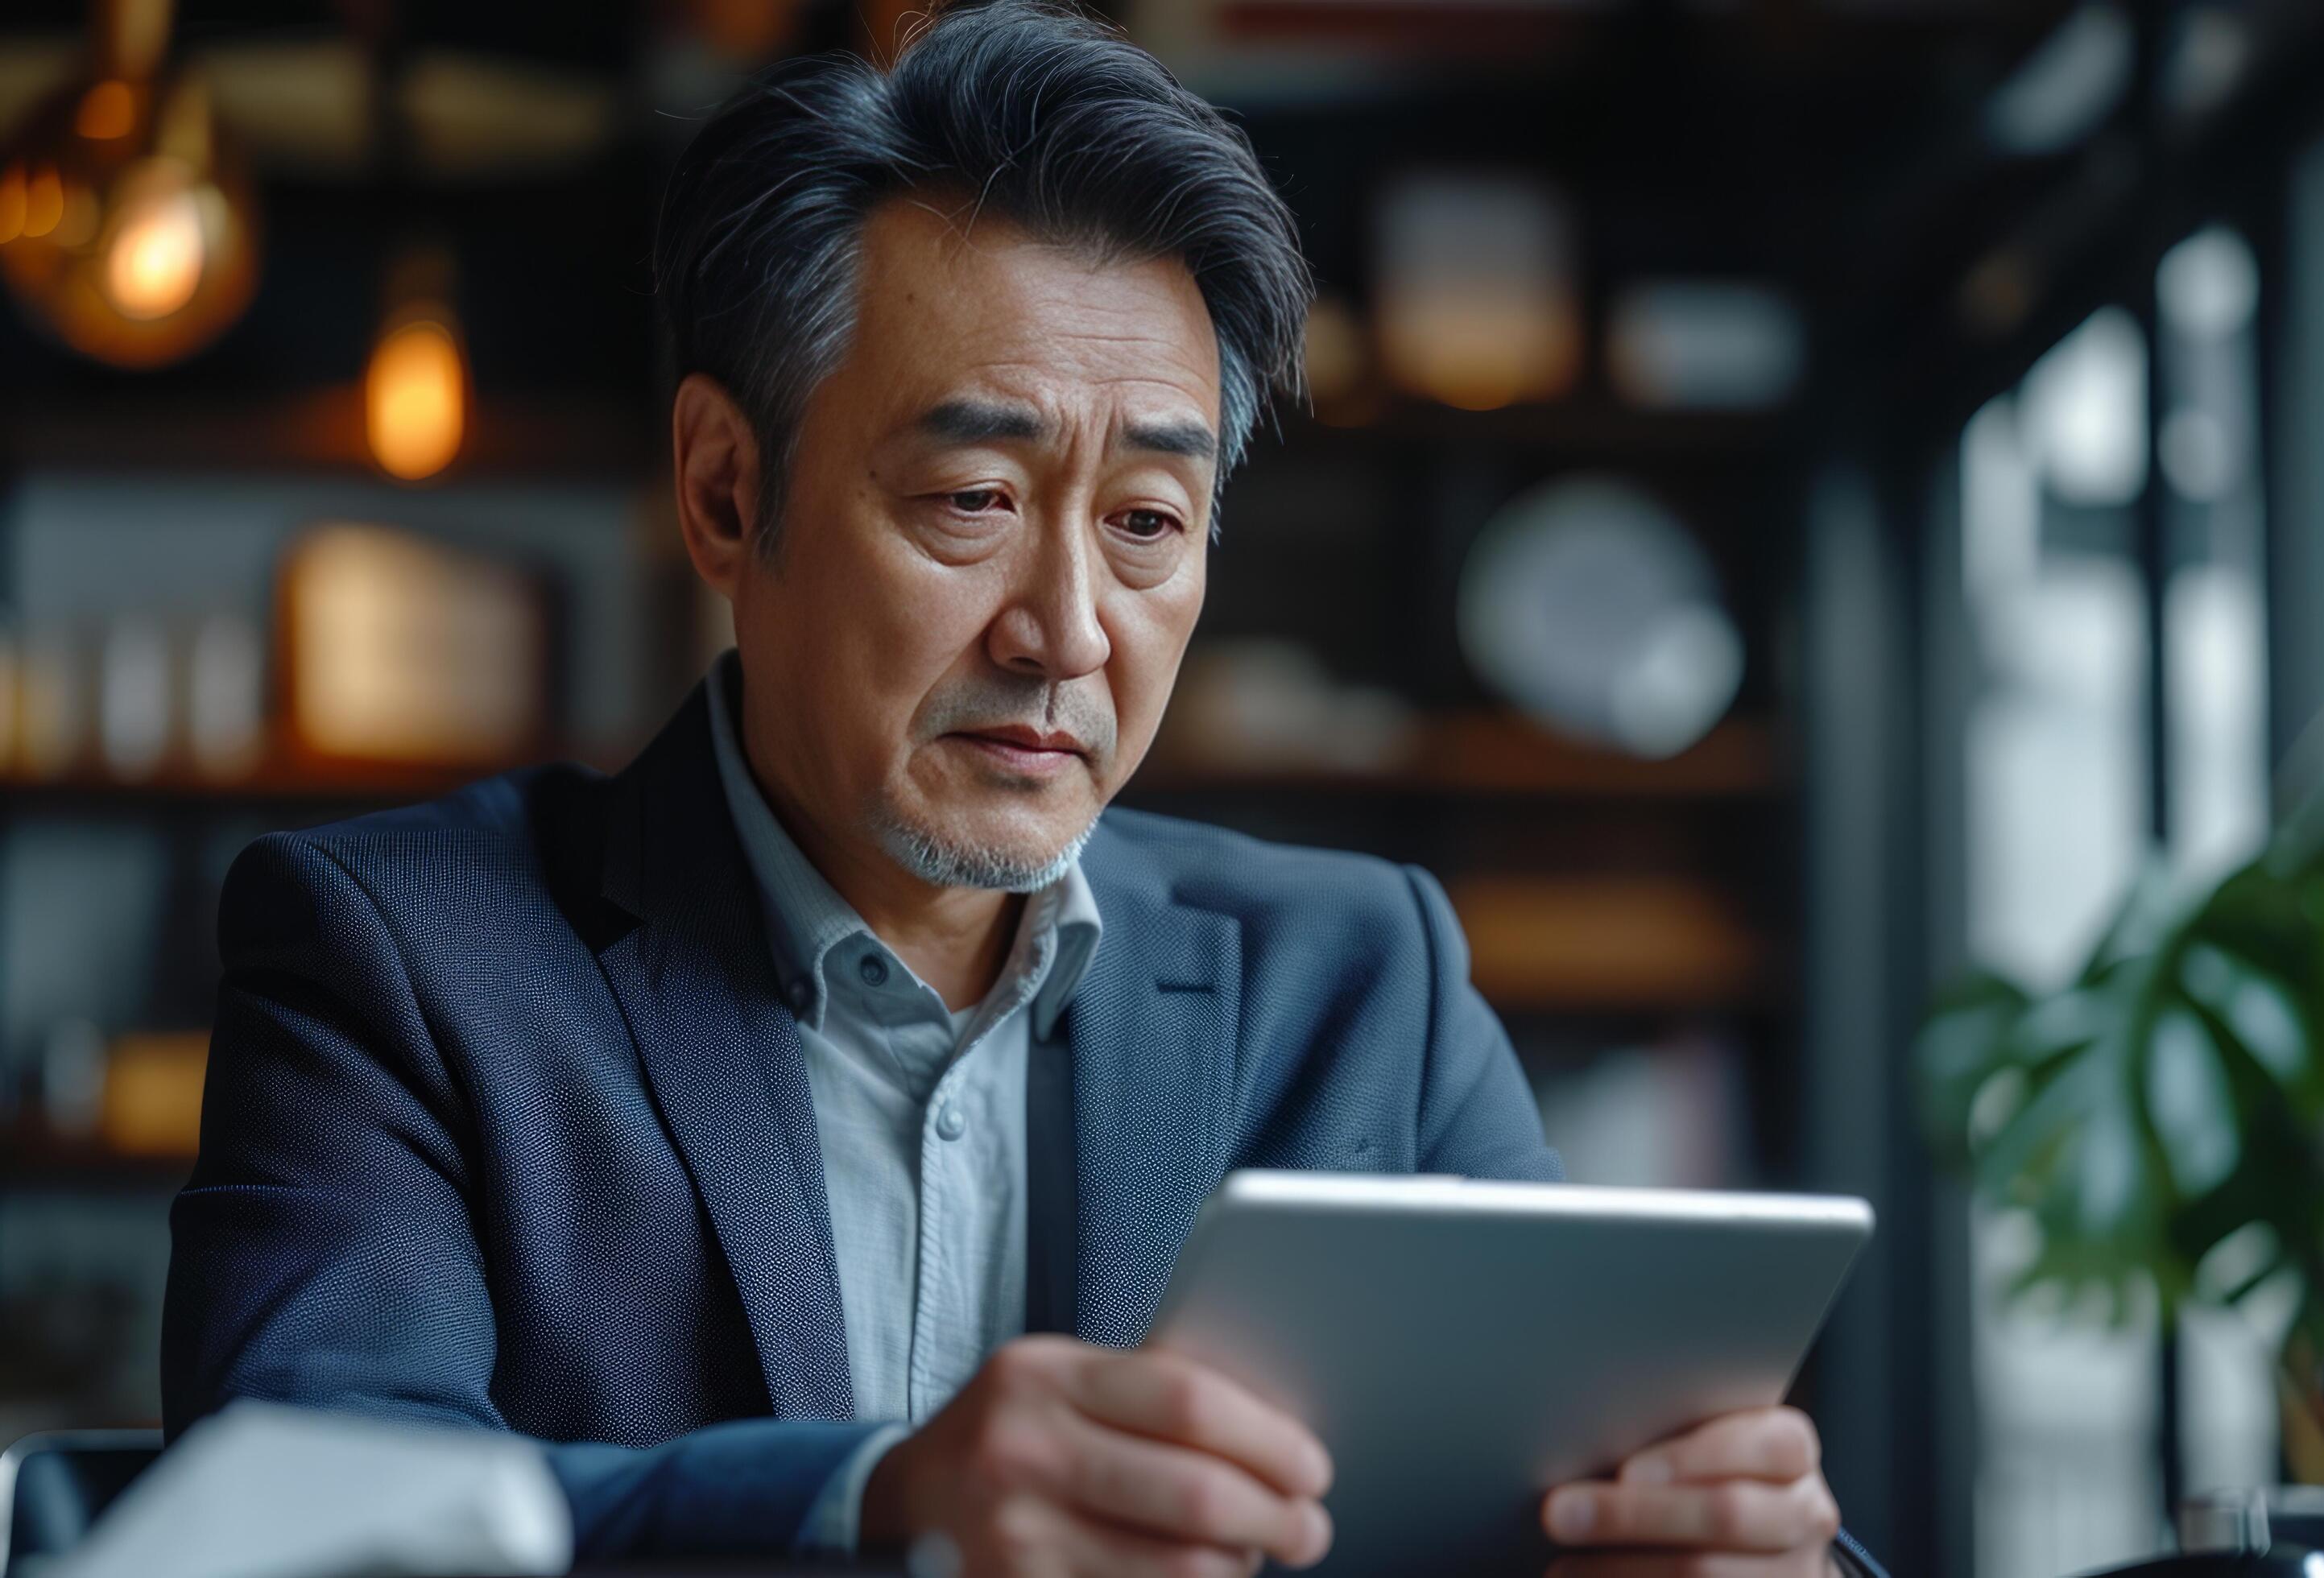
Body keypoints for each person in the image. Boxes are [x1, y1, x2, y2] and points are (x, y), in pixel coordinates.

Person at [163, 3, 1880, 1573]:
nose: (1067, 632)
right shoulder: (401, 953)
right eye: (975, 495)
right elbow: (291, 1512)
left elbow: (1594, 1480)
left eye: (1145, 522)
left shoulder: (1364, 983)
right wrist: (868, 1503)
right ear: (724, 490)